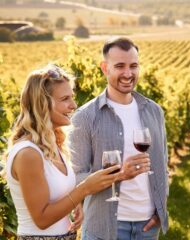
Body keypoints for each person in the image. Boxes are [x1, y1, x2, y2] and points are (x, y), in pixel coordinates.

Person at [68, 37, 169, 240]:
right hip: (104, 227)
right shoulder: (85, 117)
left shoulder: (154, 111)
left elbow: (162, 166)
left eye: (133, 66)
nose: (127, 73)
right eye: (119, 66)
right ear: (105, 68)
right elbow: (75, 179)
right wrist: (119, 174)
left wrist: (161, 211)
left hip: (148, 227)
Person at [5, 64, 120, 239]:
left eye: (72, 97)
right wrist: (84, 189)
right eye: (65, 99)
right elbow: (41, 219)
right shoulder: (28, 154)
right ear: (42, 104)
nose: (74, 105)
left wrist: (74, 205)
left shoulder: (54, 145)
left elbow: (55, 196)